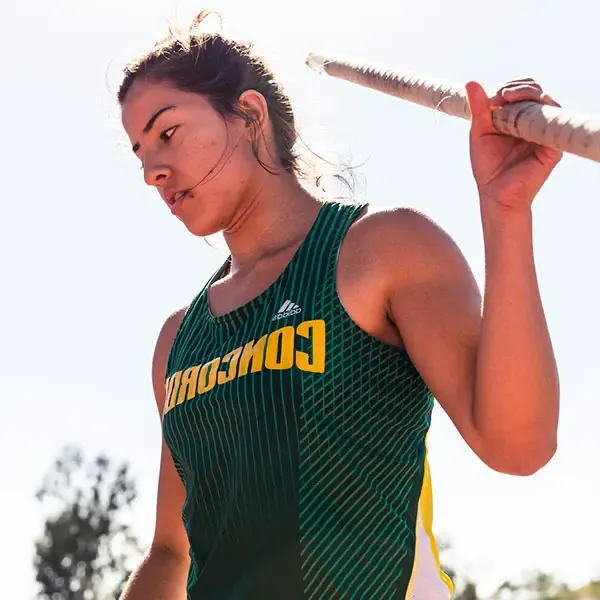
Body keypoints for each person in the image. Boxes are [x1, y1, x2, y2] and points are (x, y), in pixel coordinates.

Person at [118, 11, 561, 600]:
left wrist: (505, 212)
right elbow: (172, 552)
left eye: (166, 133)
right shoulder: (179, 340)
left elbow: (518, 444)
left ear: (249, 115)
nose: (153, 172)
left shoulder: (381, 250)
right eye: (140, 153)